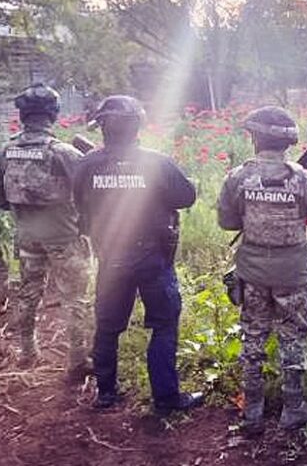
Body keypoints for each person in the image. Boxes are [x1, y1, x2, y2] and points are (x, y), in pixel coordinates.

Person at [73, 95, 202, 414]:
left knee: (107, 325)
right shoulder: (156, 162)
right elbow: (186, 197)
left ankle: (105, 393)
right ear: (137, 126)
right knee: (163, 324)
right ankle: (166, 401)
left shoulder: (86, 165)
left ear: (102, 126)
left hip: (110, 256)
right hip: (154, 257)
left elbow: (80, 205)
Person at [217, 106, 307, 434]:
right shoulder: (302, 178)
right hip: (292, 273)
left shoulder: (237, 177)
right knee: (293, 337)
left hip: (252, 271)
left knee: (253, 335)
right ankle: (293, 409)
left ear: (254, 138)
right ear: (289, 142)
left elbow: (226, 221)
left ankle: (252, 411)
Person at [0, 83, 91, 382]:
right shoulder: (64, 152)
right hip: (63, 237)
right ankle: (77, 361)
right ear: (53, 114)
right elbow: (90, 193)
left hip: (26, 236)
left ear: (22, 116)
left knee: (28, 295)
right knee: (75, 298)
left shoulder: (5, 151)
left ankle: (26, 353)